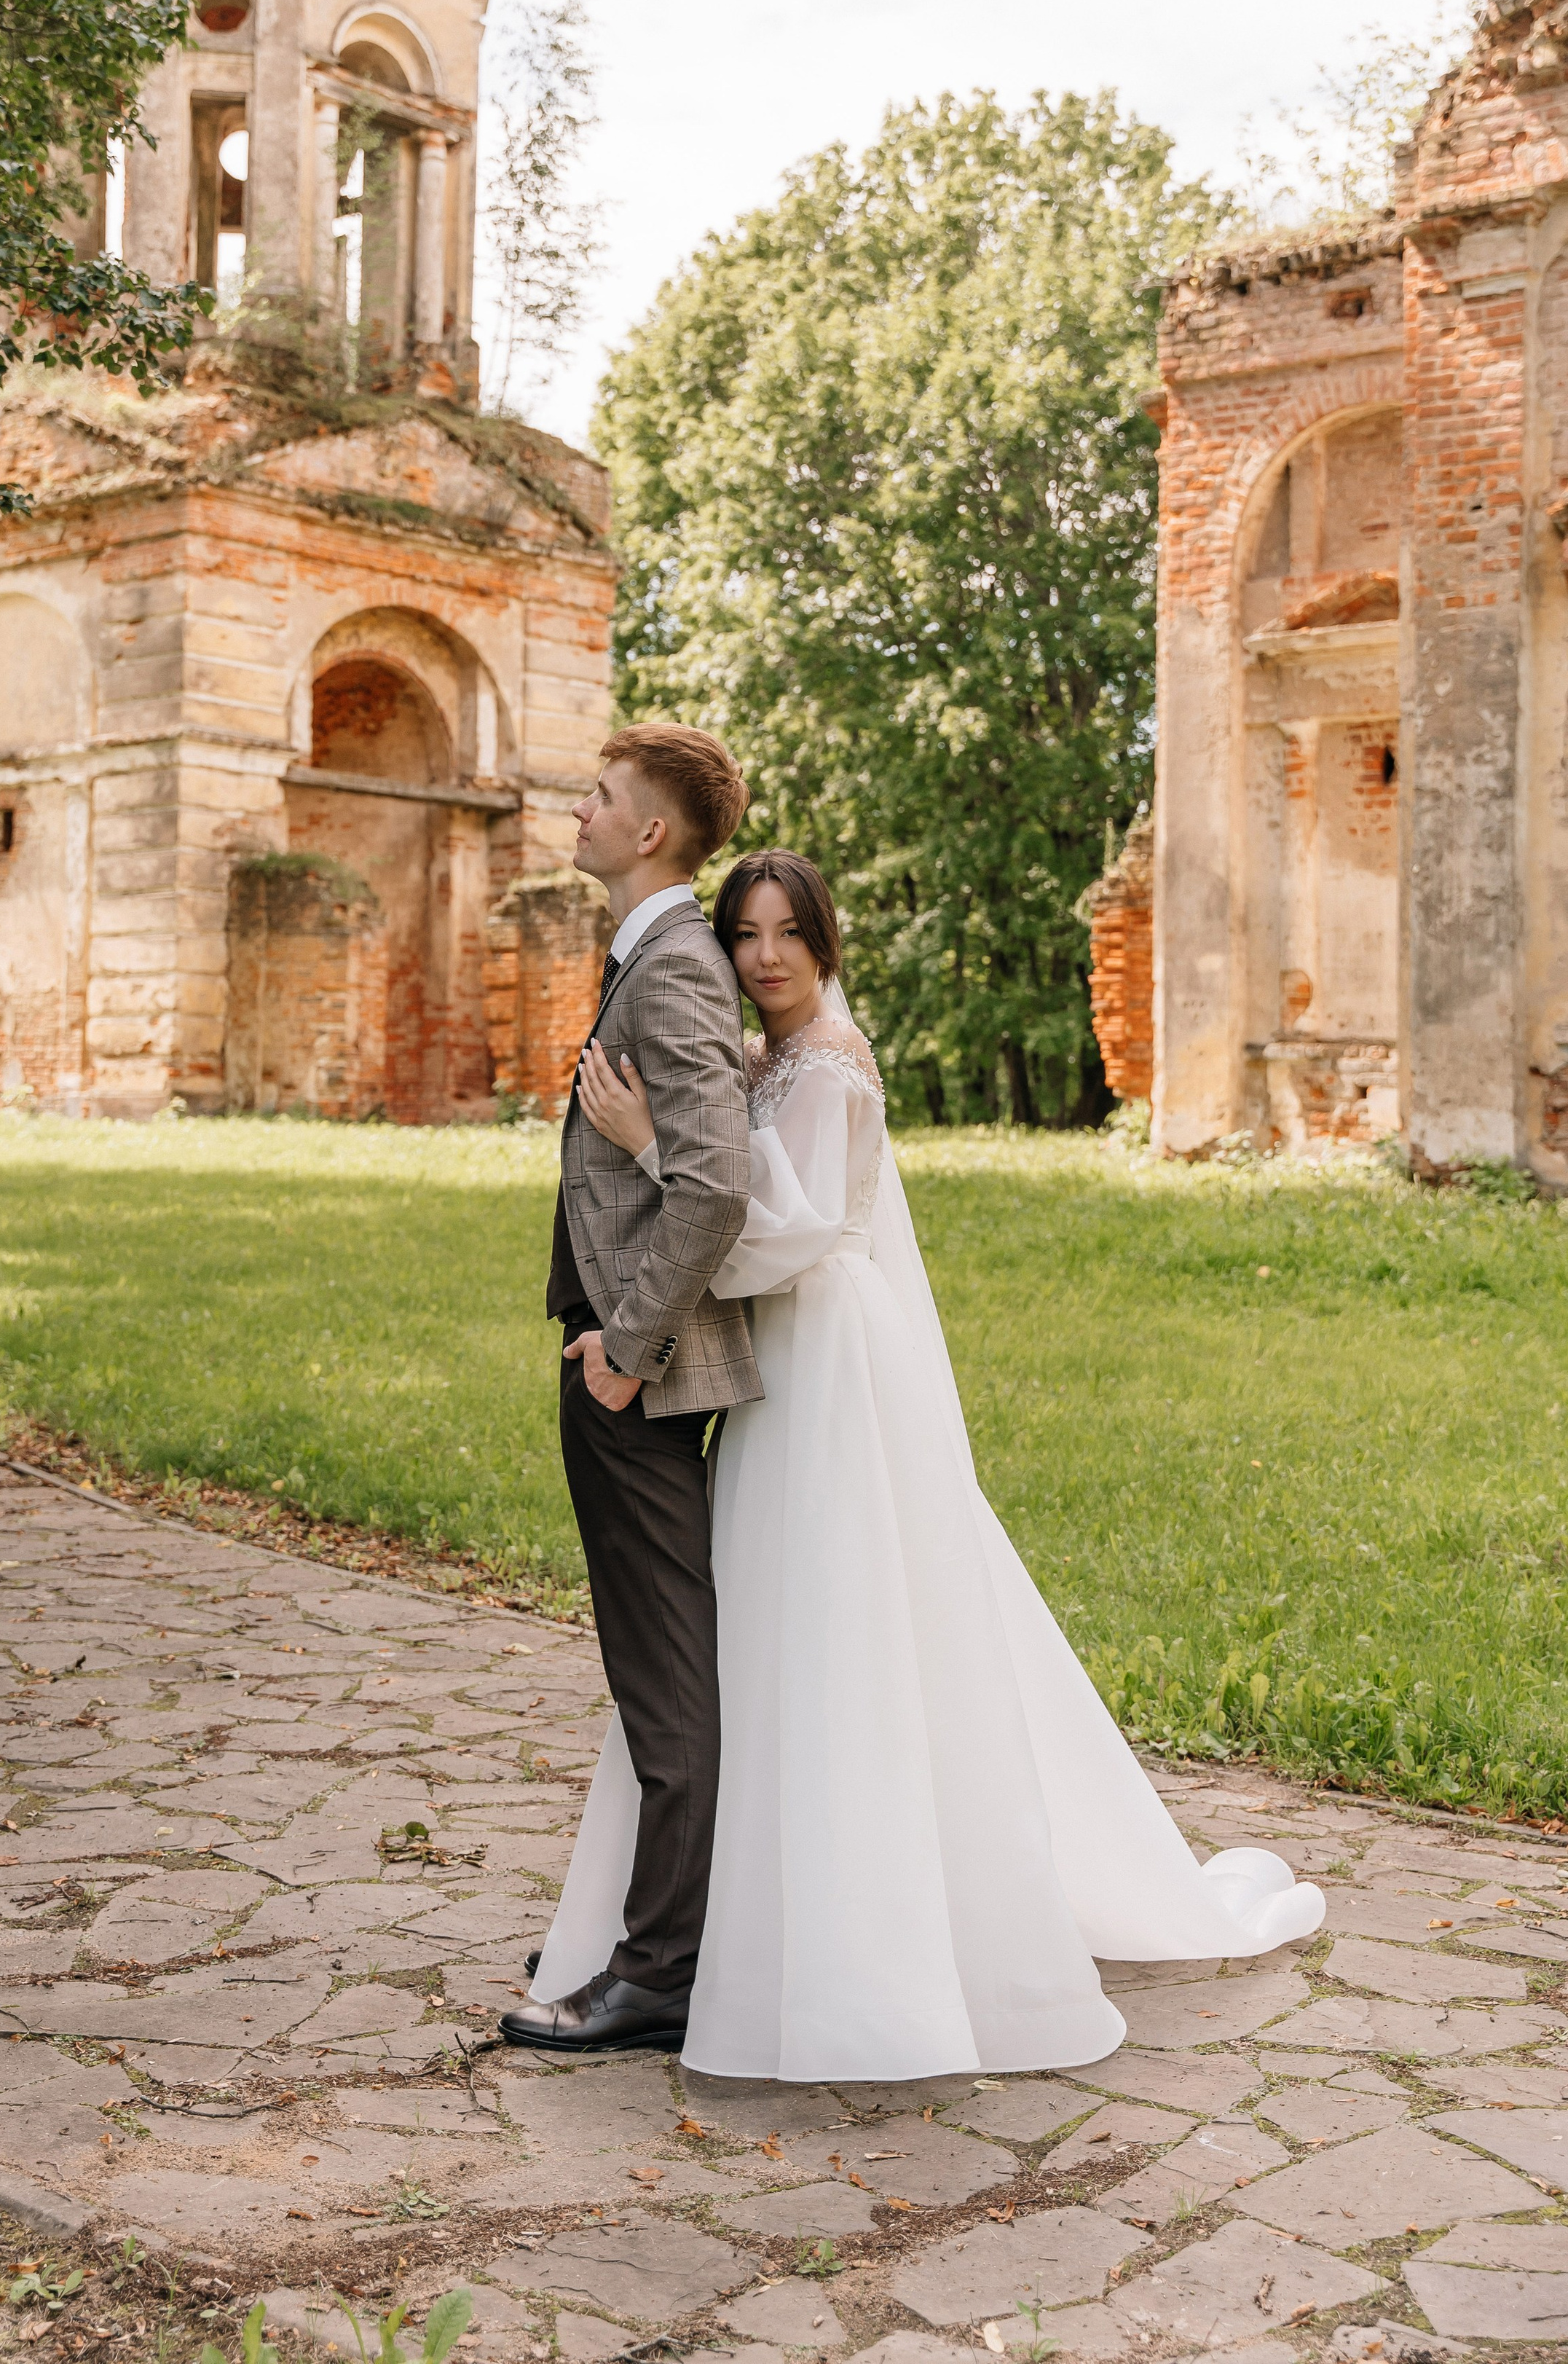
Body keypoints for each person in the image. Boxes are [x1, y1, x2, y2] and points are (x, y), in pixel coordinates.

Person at [531, 847, 1324, 2084]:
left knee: (837, 1621)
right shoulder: (765, 1061)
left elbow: (775, 1231)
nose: (767, 957)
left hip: (828, 1358)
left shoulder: (833, 1069)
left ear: (826, 943)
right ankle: (752, 1913)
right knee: (769, 1626)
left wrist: (644, 1148)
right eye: (745, 935)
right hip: (779, 1363)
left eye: (791, 932)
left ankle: (865, 1934)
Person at [497, 724, 758, 2059]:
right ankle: (650, 1933)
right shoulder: (650, 957)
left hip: (631, 1381)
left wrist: (625, 1347)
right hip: (618, 1362)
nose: (581, 810)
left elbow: (715, 1183)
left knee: (667, 1680)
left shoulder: (671, 972)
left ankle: (660, 1972)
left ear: (650, 830)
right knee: (658, 1668)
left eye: (601, 797)